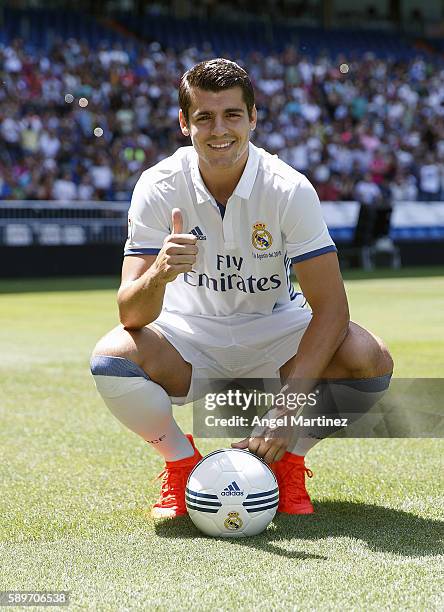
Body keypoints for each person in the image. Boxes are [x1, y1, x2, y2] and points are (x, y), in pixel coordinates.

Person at [90, 58, 393, 519]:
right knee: (110, 359)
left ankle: (287, 463)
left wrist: (289, 406)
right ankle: (182, 466)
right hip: (189, 337)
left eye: (232, 114)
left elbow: (332, 308)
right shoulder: (157, 185)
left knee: (368, 359)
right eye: (204, 117)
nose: (219, 130)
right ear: (183, 122)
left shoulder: (289, 189)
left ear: (253, 118)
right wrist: (160, 274)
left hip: (275, 332)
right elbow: (130, 314)